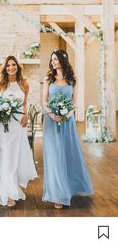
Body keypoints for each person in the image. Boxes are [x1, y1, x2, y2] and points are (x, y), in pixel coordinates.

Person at [42, 50, 93, 209]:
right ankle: (57, 194)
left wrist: (67, 115)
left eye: (56, 59)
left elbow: (74, 101)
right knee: (54, 157)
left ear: (63, 60)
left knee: (68, 154)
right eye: (52, 60)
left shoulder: (72, 80)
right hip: (51, 121)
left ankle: (70, 187)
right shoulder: (48, 78)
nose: (54, 62)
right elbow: (44, 100)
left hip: (67, 122)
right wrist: (52, 114)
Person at [0, 56, 37, 207]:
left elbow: (24, 103)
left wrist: (25, 116)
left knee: (14, 158)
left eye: (14, 65)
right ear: (5, 68)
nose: (11, 68)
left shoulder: (24, 84)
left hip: (18, 126)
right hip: (4, 126)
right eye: (8, 65)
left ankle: (13, 188)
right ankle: (7, 193)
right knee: (5, 157)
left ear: (18, 67)